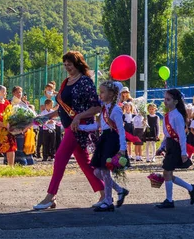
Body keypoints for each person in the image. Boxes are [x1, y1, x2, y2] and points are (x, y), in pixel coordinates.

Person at [33, 51, 105, 210]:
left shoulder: (86, 82)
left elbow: (96, 107)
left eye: (70, 65)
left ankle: (50, 196)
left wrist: (79, 117)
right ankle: (106, 193)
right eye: (65, 65)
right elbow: (62, 109)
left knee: (59, 157)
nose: (67, 68)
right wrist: (44, 117)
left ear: (77, 63)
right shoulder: (66, 82)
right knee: (85, 163)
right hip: (69, 126)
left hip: (80, 127)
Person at [79, 81, 130, 212]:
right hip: (104, 139)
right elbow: (98, 126)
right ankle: (120, 190)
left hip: (112, 140)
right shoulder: (104, 109)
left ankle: (108, 201)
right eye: (99, 92)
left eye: (102, 92)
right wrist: (80, 127)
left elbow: (121, 130)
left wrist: (122, 149)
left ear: (112, 94)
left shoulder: (116, 110)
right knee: (97, 171)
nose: (99, 95)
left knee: (105, 170)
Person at [155, 89, 194, 209]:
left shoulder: (177, 116)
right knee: (168, 173)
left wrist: (184, 152)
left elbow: (182, 136)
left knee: (167, 172)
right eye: (165, 99)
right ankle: (191, 188)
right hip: (170, 145)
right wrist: (161, 147)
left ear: (175, 101)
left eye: (168, 99)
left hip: (176, 146)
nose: (165, 102)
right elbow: (167, 134)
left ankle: (169, 200)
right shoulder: (168, 115)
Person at [0, 85, 16, 166]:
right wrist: (5, 125)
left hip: (9, 129)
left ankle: (11, 166)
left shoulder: (7, 103)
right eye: (4, 91)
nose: (6, 93)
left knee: (11, 148)